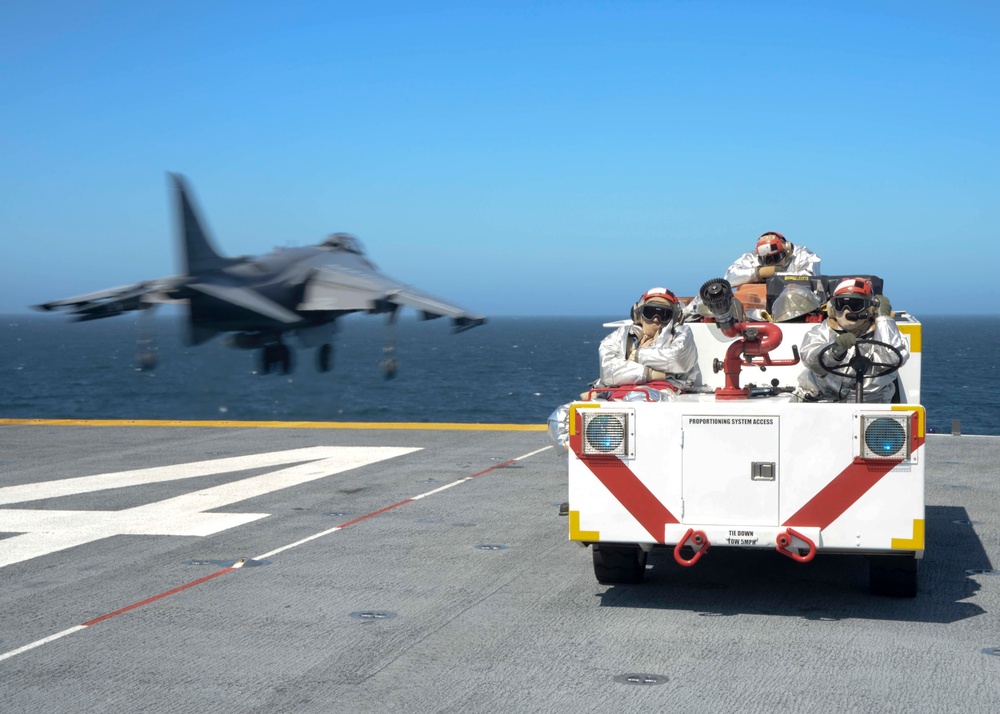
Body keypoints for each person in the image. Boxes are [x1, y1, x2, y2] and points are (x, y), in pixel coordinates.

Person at [797, 277, 909, 403]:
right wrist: (834, 351)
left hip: (870, 404)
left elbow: (892, 359)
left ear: (870, 309)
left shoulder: (888, 334)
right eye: (840, 304)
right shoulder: (822, 331)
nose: (846, 311)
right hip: (818, 398)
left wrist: (883, 318)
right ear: (832, 308)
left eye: (854, 305)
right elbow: (809, 359)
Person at [596, 287, 700, 391]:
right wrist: (652, 374)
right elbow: (608, 372)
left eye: (663, 314)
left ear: (674, 317)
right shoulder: (621, 335)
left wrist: (635, 356)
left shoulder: (682, 333)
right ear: (638, 314)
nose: (655, 319)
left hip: (664, 393)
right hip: (620, 393)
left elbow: (677, 359)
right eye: (650, 312)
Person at [724, 231, 821, 287]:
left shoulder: (801, 254)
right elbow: (729, 278)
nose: (772, 263)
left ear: (786, 249)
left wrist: (777, 275)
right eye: (768, 260)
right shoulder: (753, 257)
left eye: (776, 257)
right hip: (759, 308)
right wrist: (760, 273)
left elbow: (810, 276)